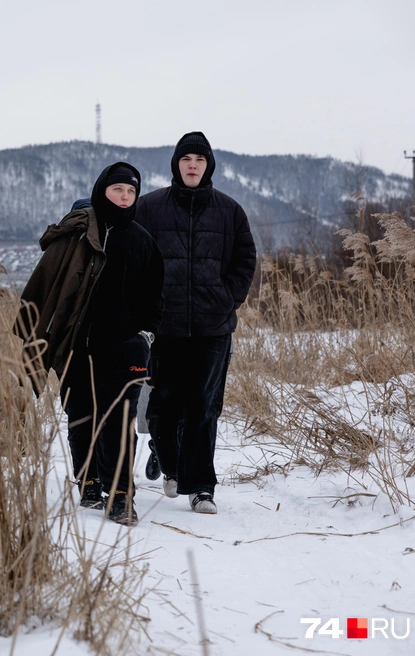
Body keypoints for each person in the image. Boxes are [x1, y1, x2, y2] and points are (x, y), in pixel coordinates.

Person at [16, 163, 164, 526]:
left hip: (126, 346)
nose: (125, 197)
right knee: (81, 415)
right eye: (118, 190)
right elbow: (46, 286)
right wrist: (36, 334)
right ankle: (89, 481)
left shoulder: (143, 240)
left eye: (130, 192)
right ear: (102, 191)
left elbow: (157, 295)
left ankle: (121, 495)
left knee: (120, 419)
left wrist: (145, 333)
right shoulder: (77, 236)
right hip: (78, 345)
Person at [136, 131, 257, 514]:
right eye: (187, 159)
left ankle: (201, 486)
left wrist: (226, 300)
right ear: (177, 164)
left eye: (200, 160)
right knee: (163, 406)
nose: (193, 166)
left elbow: (244, 261)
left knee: (204, 407)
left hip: (212, 327)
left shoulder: (230, 211)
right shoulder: (149, 208)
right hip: (164, 327)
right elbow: (134, 259)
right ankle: (171, 466)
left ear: (208, 166)